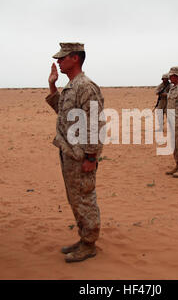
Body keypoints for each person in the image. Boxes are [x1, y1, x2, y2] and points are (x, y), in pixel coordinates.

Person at [46, 42, 105, 262]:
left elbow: (96, 124)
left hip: (81, 156)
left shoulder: (85, 87)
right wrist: (53, 87)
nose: (58, 62)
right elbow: (63, 114)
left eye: (62, 58)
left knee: (84, 198)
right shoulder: (72, 85)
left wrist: (91, 157)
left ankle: (89, 244)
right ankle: (84, 238)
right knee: (75, 198)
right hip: (69, 153)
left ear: (75, 58)